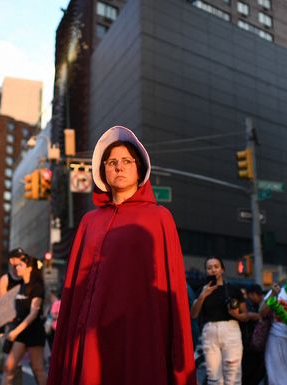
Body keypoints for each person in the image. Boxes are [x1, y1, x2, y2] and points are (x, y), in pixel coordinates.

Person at [47, 126, 196, 385]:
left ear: (139, 169)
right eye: (112, 162)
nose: (119, 167)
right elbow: (74, 293)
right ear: (102, 171)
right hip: (92, 336)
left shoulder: (159, 218)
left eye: (127, 161)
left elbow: (172, 291)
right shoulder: (88, 222)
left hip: (140, 336)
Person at [191, 257, 244, 385]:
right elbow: (193, 314)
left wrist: (236, 314)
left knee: (233, 375)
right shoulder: (202, 290)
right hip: (210, 331)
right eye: (209, 268)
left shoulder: (233, 289)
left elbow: (245, 314)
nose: (213, 270)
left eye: (216, 266)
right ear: (206, 271)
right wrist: (203, 295)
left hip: (231, 329)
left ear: (222, 270)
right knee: (213, 377)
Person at [3, 253, 46, 385]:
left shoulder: (37, 287)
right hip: (20, 333)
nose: (17, 267)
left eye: (21, 265)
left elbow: (33, 314)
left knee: (37, 369)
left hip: (34, 332)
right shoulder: (21, 286)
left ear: (29, 268)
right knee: (9, 367)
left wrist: (15, 332)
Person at [240, 284, 265, 385]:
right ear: (251, 294)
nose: (261, 297)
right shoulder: (247, 305)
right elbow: (248, 316)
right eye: (258, 295)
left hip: (251, 348)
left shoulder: (255, 305)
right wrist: (260, 316)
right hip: (248, 349)